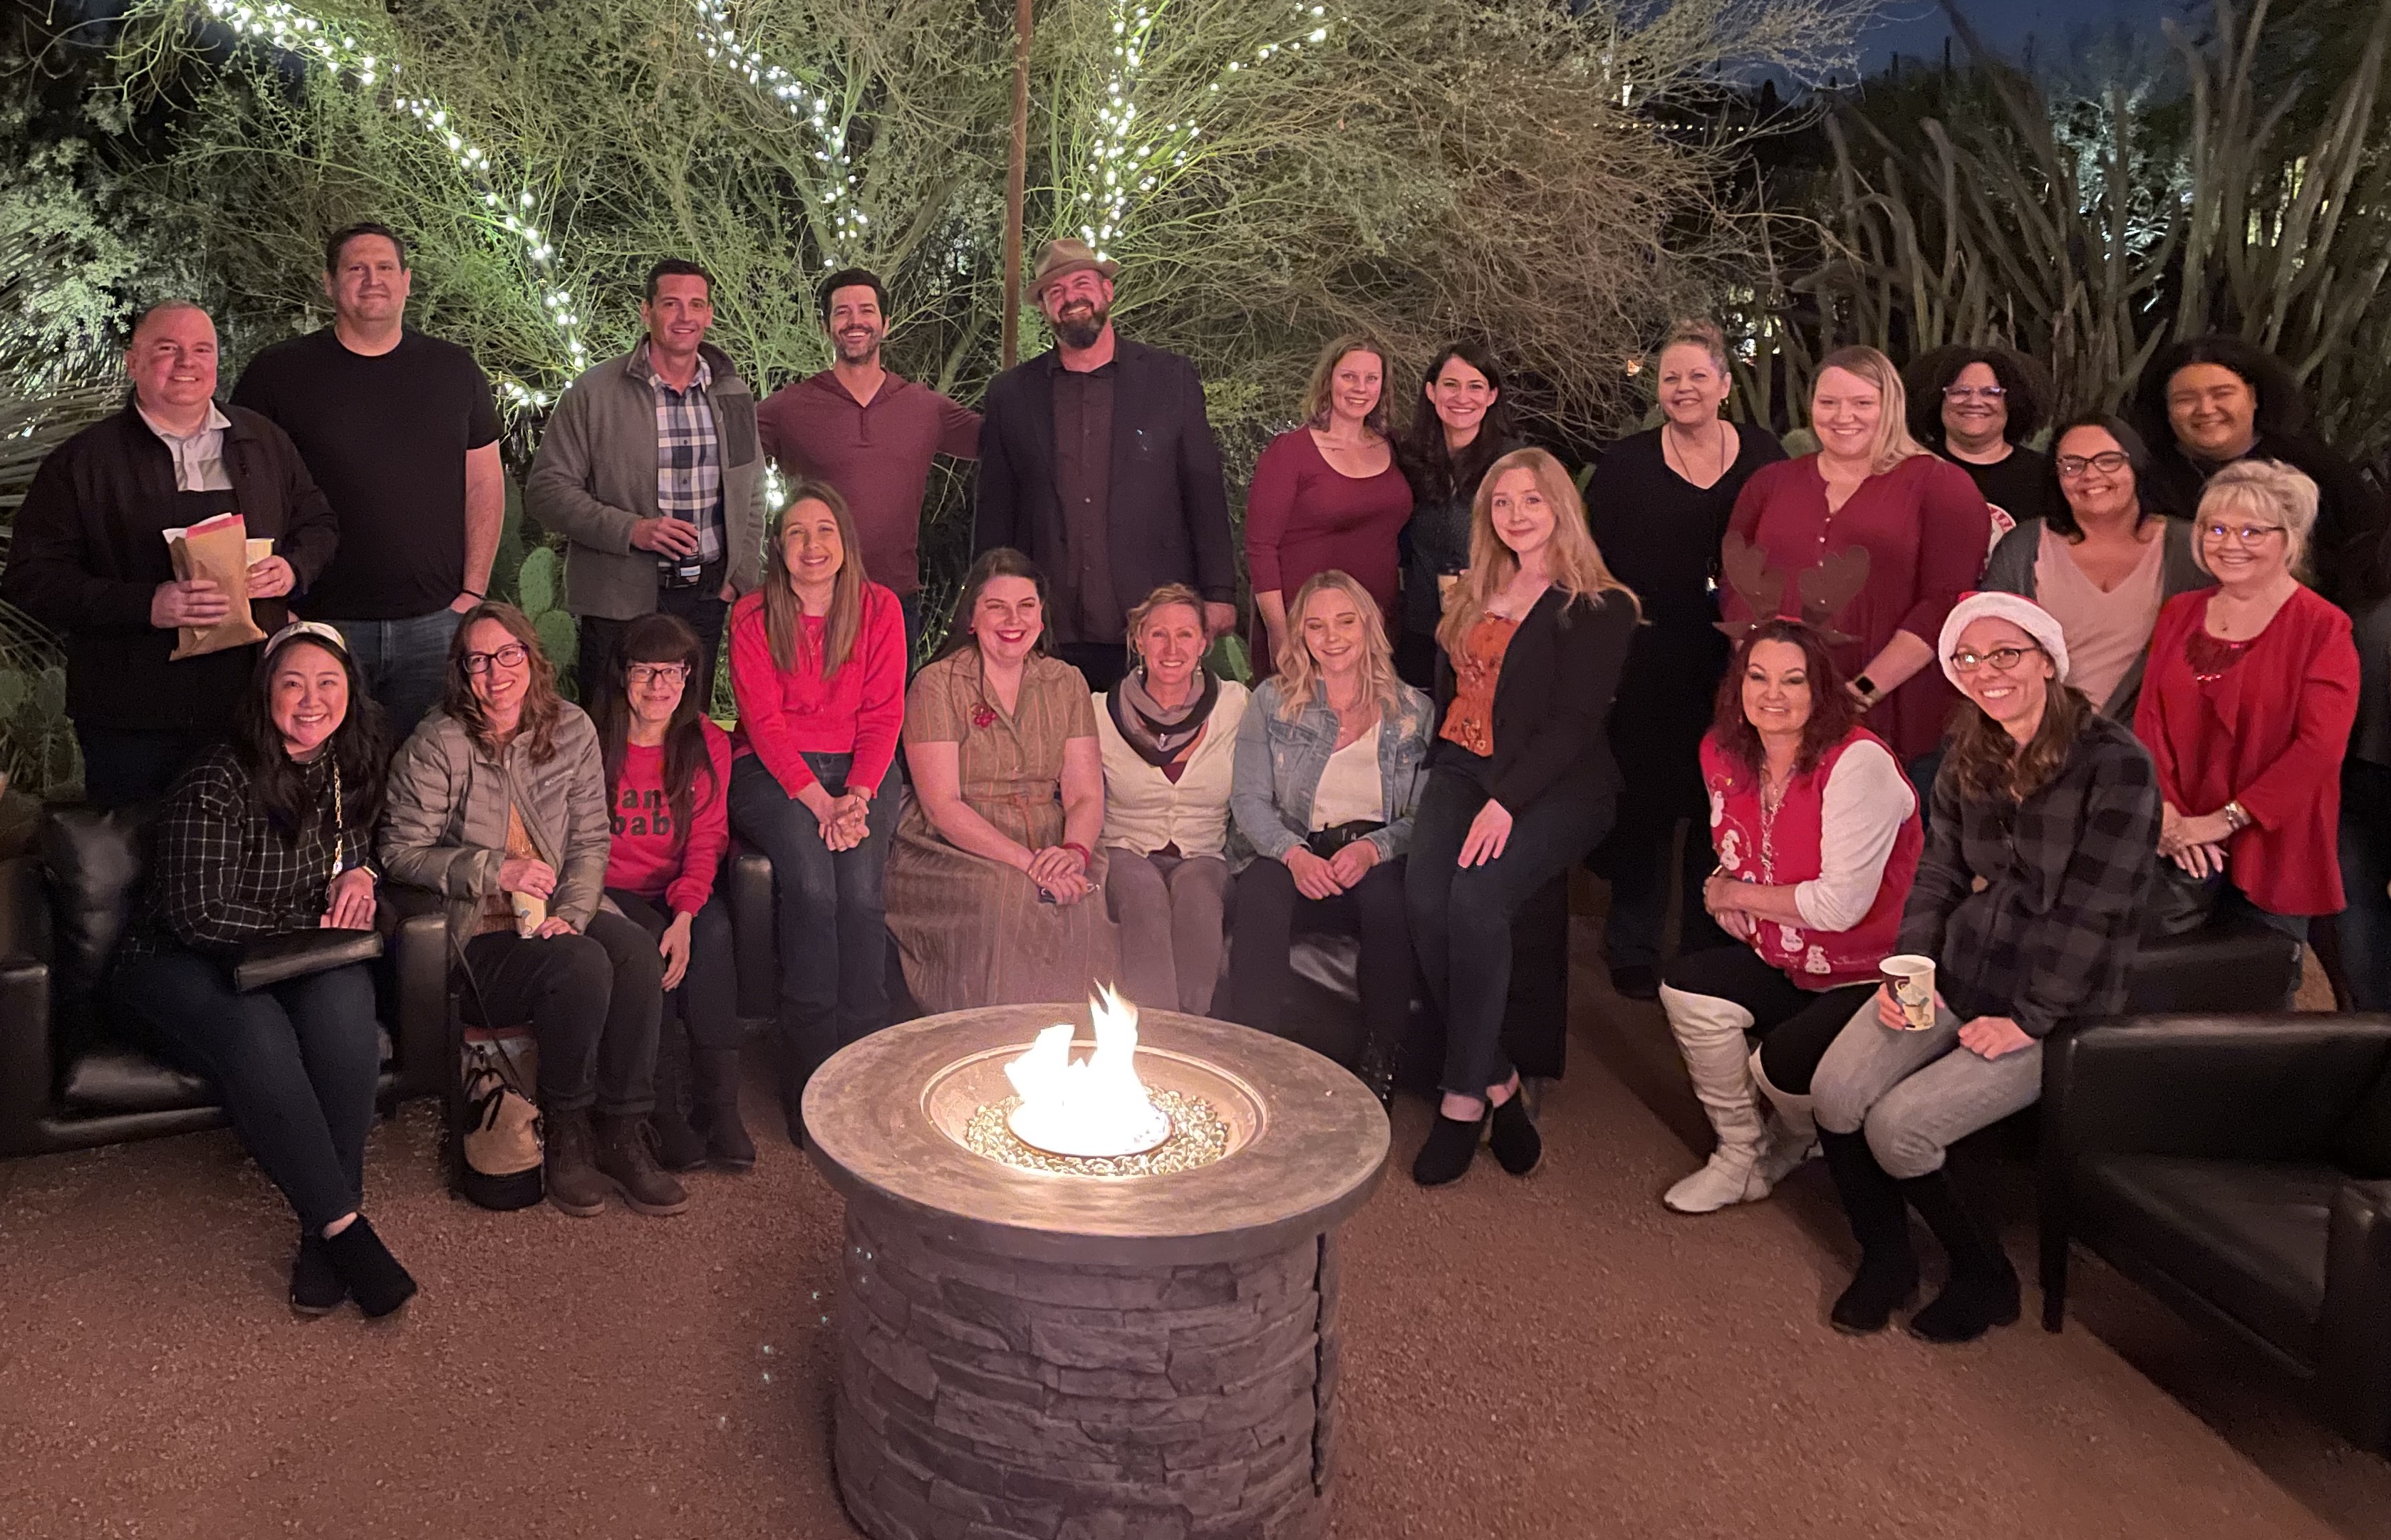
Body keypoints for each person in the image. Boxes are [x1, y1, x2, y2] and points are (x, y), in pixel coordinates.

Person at [1812, 592, 2160, 1343]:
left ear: (2047, 660)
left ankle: (1985, 1277)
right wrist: (1909, 971)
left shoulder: (2115, 765)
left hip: (2056, 1002)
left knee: (1901, 1127)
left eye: (2005, 653)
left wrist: (2029, 1019)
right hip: (1960, 969)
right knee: (1835, 1092)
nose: (1985, 671)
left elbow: (2093, 911)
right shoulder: (1967, 749)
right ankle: (1887, 1259)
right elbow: (1938, 871)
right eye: (1966, 658)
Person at [110, 621, 415, 1317]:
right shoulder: (217, 776)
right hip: (176, 958)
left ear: (350, 691)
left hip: (287, 949)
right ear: (265, 692)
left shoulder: (345, 762)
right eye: (293, 683)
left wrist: (363, 872)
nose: (312, 700)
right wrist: (311, 927)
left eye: (328, 682)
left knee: (346, 1009)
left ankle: (321, 1226)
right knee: (257, 1031)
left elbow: (364, 839)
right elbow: (197, 915)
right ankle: (344, 1226)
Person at [380, 603, 688, 1219]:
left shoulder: (570, 728)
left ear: (530, 656)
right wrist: (495, 869)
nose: (496, 673)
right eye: (479, 661)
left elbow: (591, 840)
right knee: (579, 965)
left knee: (633, 951)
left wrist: (571, 912)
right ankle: (566, 1127)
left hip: (557, 911)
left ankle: (622, 1129)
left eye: (508, 654)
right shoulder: (438, 743)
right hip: (476, 931)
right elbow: (399, 853)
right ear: (462, 672)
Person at [1407, 447, 1640, 1186]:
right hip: (1462, 764)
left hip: (1556, 784)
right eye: (1501, 502)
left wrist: (1504, 802)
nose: (1515, 515)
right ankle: (1500, 1079)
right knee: (1424, 902)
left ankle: (1461, 1099)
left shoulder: (1598, 603)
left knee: (1476, 899)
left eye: (1531, 500)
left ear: (1560, 507)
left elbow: (1573, 723)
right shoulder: (1473, 589)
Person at [4, 300, 338, 807]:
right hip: (132, 716)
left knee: (248, 843)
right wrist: (147, 605)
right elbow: (31, 578)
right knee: (133, 846)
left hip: (252, 705)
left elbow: (318, 524)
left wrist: (294, 569)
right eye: (167, 349)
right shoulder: (83, 461)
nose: (187, 362)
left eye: (202, 350)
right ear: (133, 362)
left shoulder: (264, 441)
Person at [1657, 619, 1921, 1214]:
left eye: (1793, 680)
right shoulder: (1722, 751)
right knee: (1687, 990)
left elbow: (1839, 906)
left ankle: (1798, 1138)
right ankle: (1740, 1155)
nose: (1772, 694)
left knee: (1780, 1071)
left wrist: (1731, 896)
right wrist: (1725, 886)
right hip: (1789, 957)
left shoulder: (1858, 763)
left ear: (1820, 689)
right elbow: (1742, 851)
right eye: (1758, 677)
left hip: (1882, 976)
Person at [231, 222, 505, 738]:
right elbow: (244, 488)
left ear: (406, 281)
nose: (372, 279)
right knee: (320, 770)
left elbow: (485, 485)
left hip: (434, 622)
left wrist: (472, 593)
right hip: (317, 620)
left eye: (384, 267)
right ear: (329, 283)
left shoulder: (454, 370)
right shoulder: (278, 373)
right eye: (356, 268)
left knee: (426, 773)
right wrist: (276, 609)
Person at [1586, 318, 1788, 999]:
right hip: (1648, 653)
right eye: (1671, 377)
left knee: (1725, 797)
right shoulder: (1625, 464)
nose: (1684, 388)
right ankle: (1633, 944)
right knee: (1644, 802)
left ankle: (1707, 944)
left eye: (1698, 375)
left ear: (1725, 384)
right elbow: (1592, 560)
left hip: (1741, 656)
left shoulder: (1764, 456)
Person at [974, 239, 1236, 689]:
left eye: (1081, 283)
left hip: (1153, 618)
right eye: (1055, 291)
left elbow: (1204, 490)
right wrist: (987, 601)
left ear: (1107, 291)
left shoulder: (1170, 378)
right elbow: (996, 509)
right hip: (1048, 623)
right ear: (1044, 307)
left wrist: (1219, 593)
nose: (1070, 298)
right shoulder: (1011, 394)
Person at [727, 484, 906, 1140]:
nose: (812, 545)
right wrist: (821, 801)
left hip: (862, 771)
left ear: (845, 542)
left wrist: (856, 797)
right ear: (779, 547)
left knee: (859, 897)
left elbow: (884, 712)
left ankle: (864, 1079)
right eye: (797, 532)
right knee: (811, 890)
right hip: (772, 772)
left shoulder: (880, 607)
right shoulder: (752, 614)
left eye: (825, 530)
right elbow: (763, 722)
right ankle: (809, 1085)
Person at [1725, 345, 1989, 766]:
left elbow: (1945, 602)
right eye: (1828, 402)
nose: (1842, 416)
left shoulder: (1940, 486)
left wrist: (1862, 692)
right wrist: (1766, 681)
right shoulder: (1771, 483)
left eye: (1862, 403)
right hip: (1777, 718)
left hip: (1893, 711)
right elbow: (1738, 578)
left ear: (1890, 406)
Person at [2135, 460, 2358, 945]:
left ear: (2289, 540)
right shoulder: (2179, 612)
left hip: (2273, 841)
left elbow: (2319, 750)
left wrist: (2220, 822)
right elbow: (2149, 719)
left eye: (2252, 532)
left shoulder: (2323, 627)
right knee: (2164, 978)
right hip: (2177, 836)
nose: (2230, 544)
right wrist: (2167, 815)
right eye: (2216, 529)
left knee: (2259, 979)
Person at [1227, 571, 1431, 1100]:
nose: (1332, 637)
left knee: (1391, 899)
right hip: (1293, 848)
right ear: (1300, 634)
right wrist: (1294, 855)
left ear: (1369, 626)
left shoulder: (1413, 711)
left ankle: (1381, 1063)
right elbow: (1248, 800)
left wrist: (1373, 849)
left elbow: (1424, 816)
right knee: (1260, 888)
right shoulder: (1272, 701)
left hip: (1373, 855)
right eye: (1316, 625)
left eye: (1345, 622)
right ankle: (1253, 1058)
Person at [524, 259, 767, 704]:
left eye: (696, 304)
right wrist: (632, 530)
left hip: (705, 598)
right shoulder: (594, 392)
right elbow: (547, 491)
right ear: (646, 311)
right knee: (610, 724)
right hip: (618, 599)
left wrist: (739, 575)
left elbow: (751, 489)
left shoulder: (731, 394)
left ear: (710, 315)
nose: (685, 316)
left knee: (687, 727)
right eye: (671, 303)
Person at [885, 548, 1116, 1010]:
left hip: (1050, 835)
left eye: (1026, 606)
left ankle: (1078, 1043)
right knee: (1006, 896)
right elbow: (942, 806)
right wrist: (1029, 864)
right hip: (956, 842)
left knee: (1083, 896)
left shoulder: (1066, 681)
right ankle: (991, 1039)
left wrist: (1073, 853)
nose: (1014, 620)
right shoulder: (937, 684)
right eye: (997, 607)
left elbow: (1086, 794)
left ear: (1041, 616)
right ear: (972, 618)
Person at [589, 613, 747, 1172]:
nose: (659, 685)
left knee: (713, 932)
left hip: (677, 885)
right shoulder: (591, 737)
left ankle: (719, 1105)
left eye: (673, 671)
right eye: (645, 670)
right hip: (608, 889)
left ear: (689, 676)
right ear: (622, 674)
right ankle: (658, 1108)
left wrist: (686, 913)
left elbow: (708, 838)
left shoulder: (705, 740)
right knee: (651, 942)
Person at [754, 266, 980, 649]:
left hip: (894, 600)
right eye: (842, 312)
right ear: (826, 327)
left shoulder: (924, 408)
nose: (854, 321)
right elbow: (721, 457)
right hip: (811, 600)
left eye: (866, 310)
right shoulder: (788, 409)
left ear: (885, 324)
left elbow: (1006, 441)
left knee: (893, 693)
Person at [2134, 334, 2386, 614]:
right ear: (2166, 409)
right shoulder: (2145, 475)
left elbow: (2365, 545)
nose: (2205, 409)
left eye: (2222, 394)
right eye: (2185, 399)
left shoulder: (2312, 463)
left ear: (2253, 397)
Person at [1981, 415, 2211, 719]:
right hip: (2042, 735)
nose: (2090, 474)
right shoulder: (2024, 547)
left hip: (2147, 738)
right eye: (2072, 465)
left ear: (2136, 465)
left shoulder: (2190, 548)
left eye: (2108, 461)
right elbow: (1986, 647)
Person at [1096, 583, 1250, 1016]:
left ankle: (1190, 1032)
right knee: (1144, 896)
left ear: (1203, 643)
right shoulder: (1099, 712)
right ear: (1139, 640)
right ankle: (1159, 1034)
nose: (1171, 648)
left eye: (1185, 635)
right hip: (1124, 849)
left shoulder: (1235, 706)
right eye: (1158, 634)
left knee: (1198, 896)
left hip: (1204, 852)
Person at [1245, 334, 1413, 670]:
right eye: (1349, 376)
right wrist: (1279, 631)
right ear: (1328, 380)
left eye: (1371, 378)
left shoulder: (1394, 447)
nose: (1360, 388)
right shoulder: (1290, 452)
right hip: (1309, 628)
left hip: (1375, 626)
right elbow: (1260, 547)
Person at [1395, 342, 1518, 687]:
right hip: (1420, 629)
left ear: (1492, 396)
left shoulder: (1514, 464)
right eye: (1451, 385)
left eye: (1475, 386)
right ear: (1431, 392)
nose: (1462, 397)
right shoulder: (1409, 458)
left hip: (1488, 629)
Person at [1904, 343, 2057, 543]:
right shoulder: (1907, 470)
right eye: (1960, 391)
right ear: (1936, 400)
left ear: (2012, 402)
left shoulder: (2046, 476)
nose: (1974, 402)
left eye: (1991, 393)